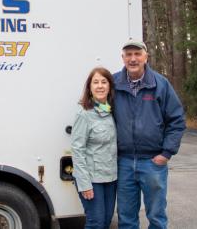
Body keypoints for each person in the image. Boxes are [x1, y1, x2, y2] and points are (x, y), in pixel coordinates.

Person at [113, 39, 186, 229]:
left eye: (137, 54)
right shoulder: (113, 84)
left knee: (156, 216)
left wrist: (166, 153)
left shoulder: (161, 84)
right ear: (123, 58)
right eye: (128, 55)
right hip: (124, 162)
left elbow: (176, 121)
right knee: (126, 217)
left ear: (146, 57)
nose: (133, 58)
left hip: (153, 162)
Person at [71, 67, 117, 229]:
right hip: (91, 179)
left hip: (110, 178)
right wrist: (85, 184)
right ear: (89, 88)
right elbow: (77, 150)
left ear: (110, 86)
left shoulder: (111, 112)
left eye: (104, 82)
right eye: (95, 82)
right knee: (95, 223)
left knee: (105, 222)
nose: (100, 86)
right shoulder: (84, 114)